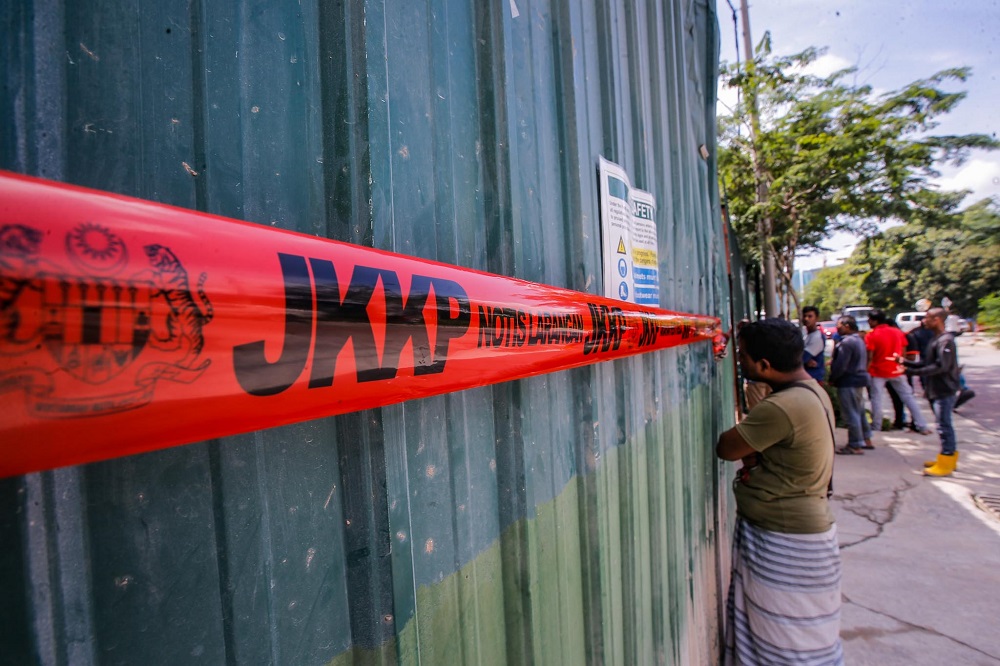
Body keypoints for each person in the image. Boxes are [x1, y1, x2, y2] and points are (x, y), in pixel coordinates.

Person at [716, 319, 842, 665]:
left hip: (786, 539)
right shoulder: (811, 391)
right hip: (802, 528)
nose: (738, 361)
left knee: (785, 641)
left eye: (742, 356)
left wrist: (751, 453)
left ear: (764, 366)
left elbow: (727, 447)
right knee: (794, 634)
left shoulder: (781, 408)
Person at [897, 308, 962, 476]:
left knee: (944, 425)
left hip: (944, 388)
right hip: (936, 388)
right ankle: (946, 457)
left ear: (938, 320)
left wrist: (913, 372)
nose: (924, 321)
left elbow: (941, 366)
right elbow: (927, 362)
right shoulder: (937, 339)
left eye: (928, 318)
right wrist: (906, 364)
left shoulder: (946, 341)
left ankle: (947, 460)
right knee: (943, 424)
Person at [865, 309, 931, 434]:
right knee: (908, 397)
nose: (868, 322)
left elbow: (870, 356)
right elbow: (903, 350)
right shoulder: (897, 332)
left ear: (875, 320)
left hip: (878, 371)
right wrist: (901, 364)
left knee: (876, 399)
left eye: (869, 320)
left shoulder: (872, 335)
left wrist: (866, 371)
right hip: (896, 370)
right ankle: (922, 425)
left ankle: (876, 426)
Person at [829, 316, 872, 454]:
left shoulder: (846, 343)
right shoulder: (858, 340)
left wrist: (833, 378)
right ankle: (866, 438)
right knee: (859, 411)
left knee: (850, 413)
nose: (837, 328)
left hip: (848, 381)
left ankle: (855, 444)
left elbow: (841, 365)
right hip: (858, 379)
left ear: (847, 326)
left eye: (839, 325)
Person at [801, 305, 826, 383]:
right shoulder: (806, 335)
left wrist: (803, 360)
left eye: (810, 316)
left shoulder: (817, 337)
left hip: (814, 379)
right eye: (804, 316)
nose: (806, 319)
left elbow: (802, 358)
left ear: (817, 318)